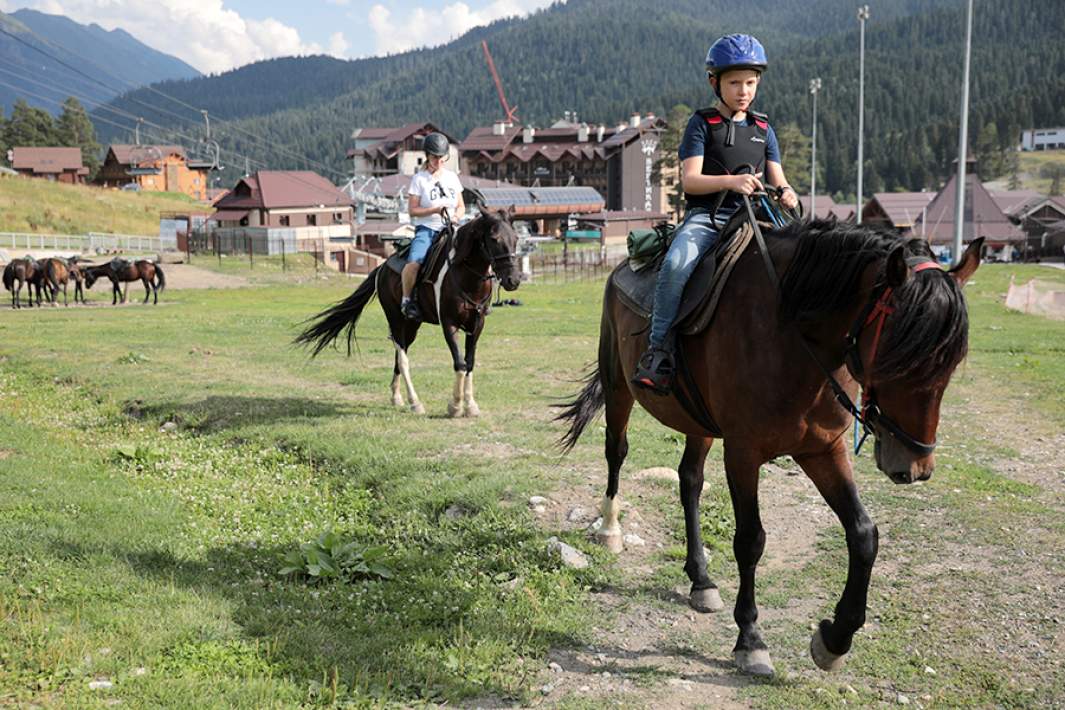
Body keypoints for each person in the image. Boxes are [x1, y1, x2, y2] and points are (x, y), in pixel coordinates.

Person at [632, 33, 798, 394]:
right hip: (709, 219)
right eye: (735, 82)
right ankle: (658, 351)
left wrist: (787, 193)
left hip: (761, 218)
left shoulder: (764, 129)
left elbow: (779, 178)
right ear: (715, 82)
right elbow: (691, 181)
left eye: (750, 83)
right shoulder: (701, 124)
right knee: (676, 265)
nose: (744, 91)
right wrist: (732, 182)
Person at [402, 132, 465, 320]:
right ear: (427, 156)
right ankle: (407, 300)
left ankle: (479, 300)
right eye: (435, 157)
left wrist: (455, 217)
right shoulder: (419, 179)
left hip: (452, 228)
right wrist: (435, 210)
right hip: (428, 230)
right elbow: (413, 210)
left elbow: (461, 206)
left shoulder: (453, 177)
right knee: (414, 263)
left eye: (441, 157)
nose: (439, 161)